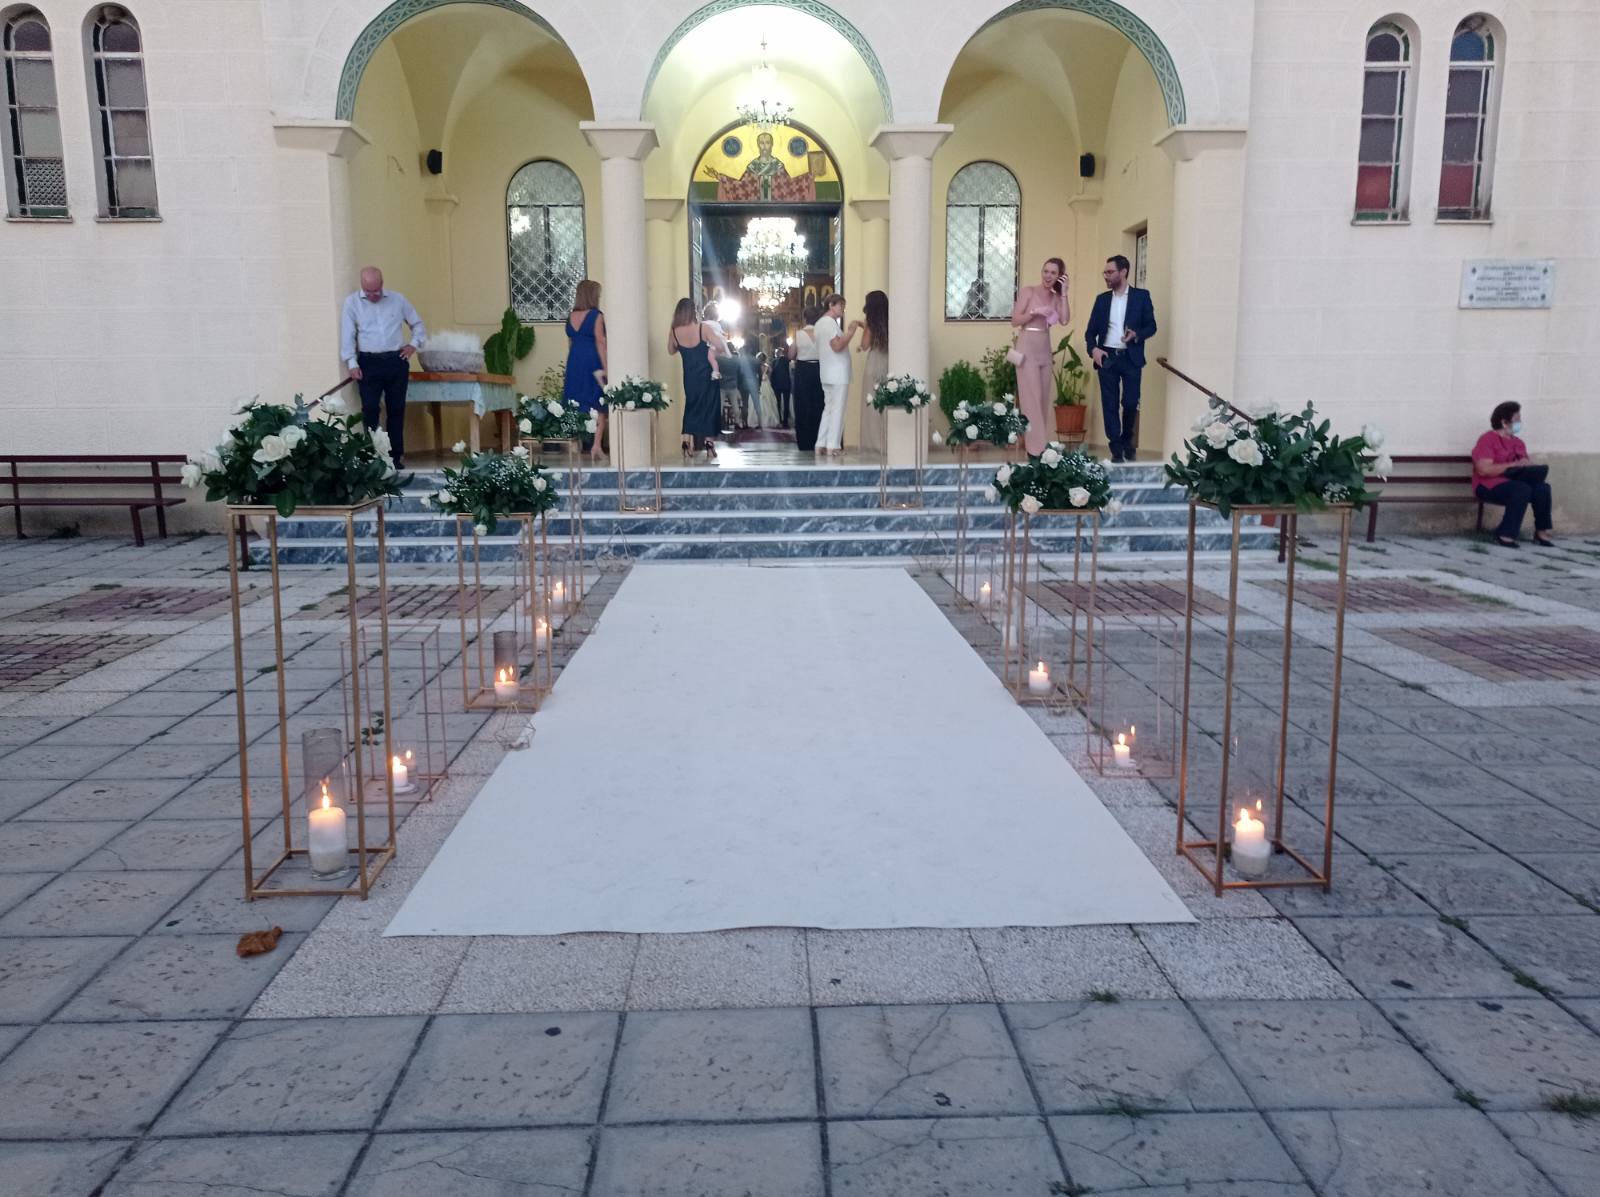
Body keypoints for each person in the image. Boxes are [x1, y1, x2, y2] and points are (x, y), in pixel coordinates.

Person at [341, 266, 426, 467]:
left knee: (396, 408)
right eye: (368, 291)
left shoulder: (398, 299)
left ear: (382, 283)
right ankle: (373, 456)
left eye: (376, 290)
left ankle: (395, 457)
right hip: (368, 362)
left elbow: (418, 324)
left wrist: (413, 345)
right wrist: (351, 362)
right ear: (362, 286)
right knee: (370, 409)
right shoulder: (352, 303)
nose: (372, 295)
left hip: (396, 360)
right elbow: (347, 334)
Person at [1085, 254, 1157, 462]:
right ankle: (1116, 447)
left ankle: (1127, 441)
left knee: (1131, 401)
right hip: (1106, 356)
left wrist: (1137, 335)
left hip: (1131, 357)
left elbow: (1151, 326)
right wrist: (1093, 350)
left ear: (1123, 272)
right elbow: (1090, 332)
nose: (1106, 276)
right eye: (1105, 272)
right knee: (1110, 404)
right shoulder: (1102, 300)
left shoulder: (1141, 297)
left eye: (1110, 272)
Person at [1473, 401, 1555, 548]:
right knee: (1521, 489)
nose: (1520, 423)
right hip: (1488, 485)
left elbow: (1522, 464)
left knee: (1542, 488)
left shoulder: (1518, 443)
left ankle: (1541, 532)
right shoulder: (1487, 439)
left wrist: (1529, 466)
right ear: (1504, 422)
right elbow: (1483, 470)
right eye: (1517, 419)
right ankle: (1505, 534)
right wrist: (1512, 465)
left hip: (1515, 482)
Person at [1010, 264, 1068, 457]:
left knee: (1043, 399)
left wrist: (1064, 293)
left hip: (1044, 348)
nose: (1048, 275)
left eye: (1053, 273)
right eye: (1046, 271)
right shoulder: (1028, 291)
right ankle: (1036, 449)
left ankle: (1040, 448)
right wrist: (1035, 312)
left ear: (1059, 276)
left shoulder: (1056, 297)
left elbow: (1064, 320)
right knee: (1031, 399)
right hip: (1026, 347)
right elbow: (1015, 320)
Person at [669, 297, 727, 459]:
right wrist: (713, 350)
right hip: (707, 375)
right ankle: (709, 444)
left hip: (690, 376)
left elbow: (671, 350)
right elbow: (721, 345)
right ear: (693, 311)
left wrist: (682, 346)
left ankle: (686, 441)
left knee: (691, 406)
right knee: (710, 407)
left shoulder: (674, 331)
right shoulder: (703, 328)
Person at [563, 279, 608, 460]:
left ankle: (576, 444)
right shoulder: (596, 315)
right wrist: (606, 367)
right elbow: (600, 342)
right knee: (599, 403)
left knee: (575, 401)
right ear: (593, 295)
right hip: (592, 361)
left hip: (574, 361)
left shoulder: (570, 317)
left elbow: (570, 343)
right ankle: (596, 446)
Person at [815, 294, 860, 455]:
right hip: (838, 373)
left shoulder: (819, 323)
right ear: (831, 305)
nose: (843, 309)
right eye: (841, 305)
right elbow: (837, 346)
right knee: (838, 409)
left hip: (827, 371)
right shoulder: (830, 323)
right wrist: (850, 332)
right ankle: (833, 446)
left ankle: (821, 443)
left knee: (829, 408)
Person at [857, 290, 890, 455]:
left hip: (874, 362)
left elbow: (864, 345)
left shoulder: (871, 322)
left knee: (872, 404)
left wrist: (864, 327)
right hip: (888, 362)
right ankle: (888, 443)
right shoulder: (892, 319)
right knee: (888, 404)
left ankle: (874, 444)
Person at [793, 306, 824, 452]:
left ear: (804, 318)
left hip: (803, 370)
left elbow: (790, 354)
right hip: (819, 369)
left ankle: (804, 442)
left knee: (803, 404)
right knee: (818, 403)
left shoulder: (799, 334)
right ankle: (818, 438)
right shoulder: (822, 333)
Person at [769, 318, 793, 428]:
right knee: (786, 403)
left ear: (776, 354)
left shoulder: (774, 362)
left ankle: (779, 420)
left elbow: (772, 374)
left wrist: (772, 383)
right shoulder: (787, 360)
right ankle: (785, 422)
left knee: (778, 403)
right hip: (786, 384)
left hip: (777, 385)